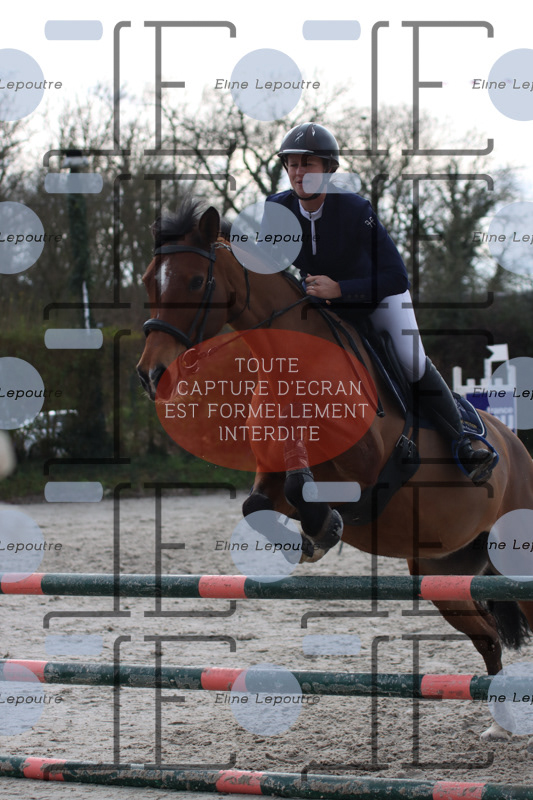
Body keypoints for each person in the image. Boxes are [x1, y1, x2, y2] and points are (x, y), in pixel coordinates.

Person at [266, 121, 497, 485]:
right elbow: (268, 265)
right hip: (323, 306)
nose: (298, 172)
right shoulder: (277, 208)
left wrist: (340, 289)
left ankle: (464, 444)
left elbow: (397, 277)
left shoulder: (356, 210)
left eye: (307, 163)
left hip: (379, 299)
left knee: (411, 359)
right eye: (292, 164)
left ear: (328, 169)